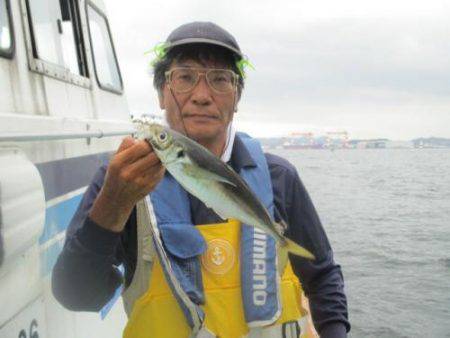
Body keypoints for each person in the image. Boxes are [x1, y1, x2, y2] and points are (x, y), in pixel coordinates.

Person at [52, 22, 350, 338]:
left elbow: (322, 277)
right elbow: (77, 296)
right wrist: (112, 204)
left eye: (220, 79)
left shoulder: (280, 177)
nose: (202, 95)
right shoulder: (124, 179)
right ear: (161, 94)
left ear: (236, 98)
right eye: (184, 78)